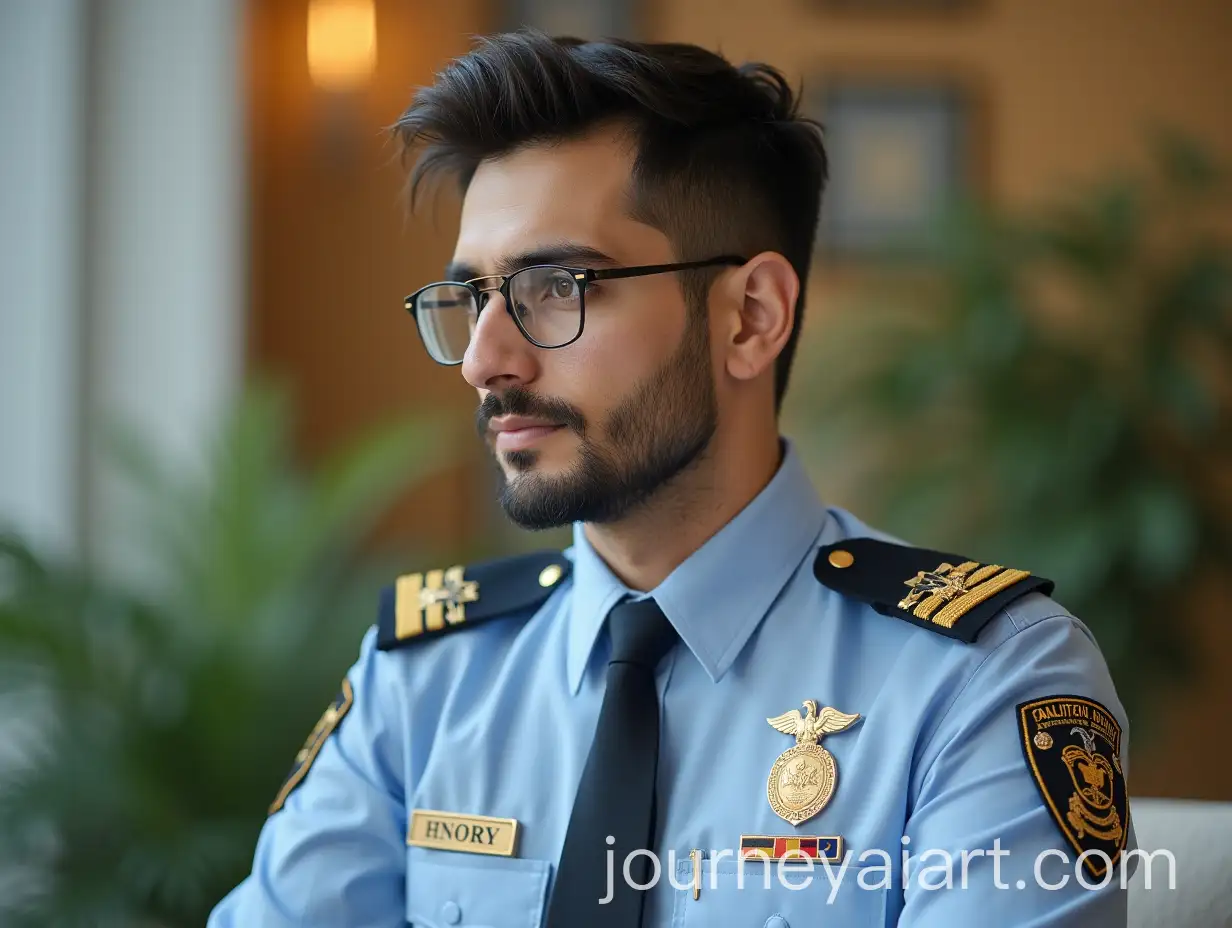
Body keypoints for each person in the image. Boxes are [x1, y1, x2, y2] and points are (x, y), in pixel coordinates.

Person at [209, 30, 1133, 927]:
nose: (484, 361)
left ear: (749, 318)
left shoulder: (982, 682)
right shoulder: (426, 678)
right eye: (471, 298)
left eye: (555, 288)